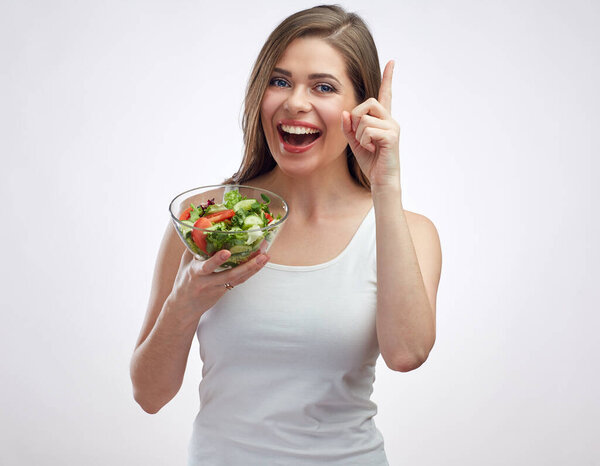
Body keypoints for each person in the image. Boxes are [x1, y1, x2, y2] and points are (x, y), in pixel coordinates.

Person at [130, 4, 442, 465]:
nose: (295, 102)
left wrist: (386, 185)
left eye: (323, 86)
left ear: (361, 108)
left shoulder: (408, 231)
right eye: (279, 81)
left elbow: (407, 353)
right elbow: (149, 394)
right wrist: (185, 302)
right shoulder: (206, 222)